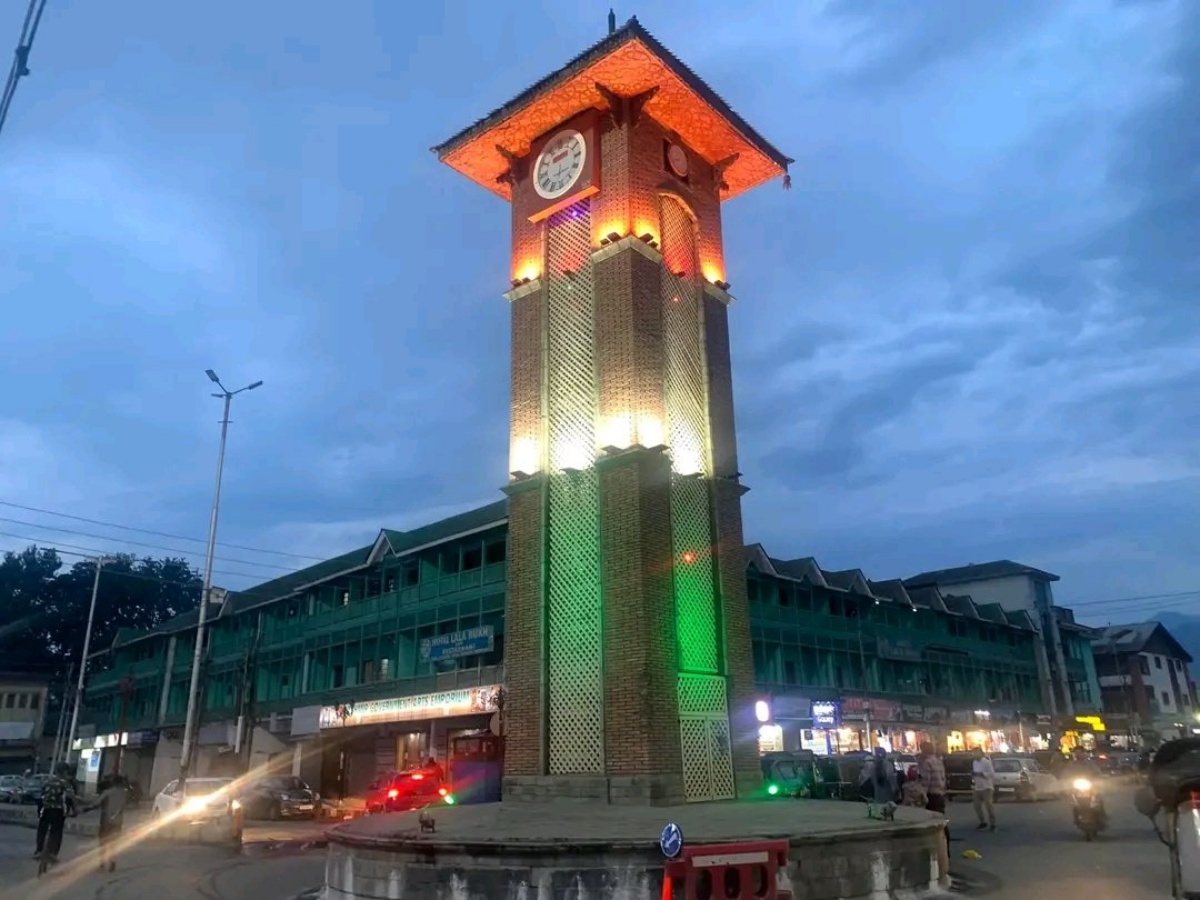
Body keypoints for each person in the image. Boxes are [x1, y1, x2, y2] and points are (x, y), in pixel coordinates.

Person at [82, 774, 127, 872]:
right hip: (118, 821)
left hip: (106, 820)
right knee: (114, 842)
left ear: (113, 782)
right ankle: (112, 861)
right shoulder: (124, 793)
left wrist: (85, 807)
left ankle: (102, 861)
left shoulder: (107, 792)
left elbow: (96, 803)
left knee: (103, 841)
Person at [35, 763, 77, 862]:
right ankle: (53, 853)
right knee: (56, 831)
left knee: (42, 829)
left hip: (45, 809)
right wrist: (75, 810)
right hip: (58, 810)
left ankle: (39, 850)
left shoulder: (47, 781)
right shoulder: (65, 783)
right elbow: (71, 797)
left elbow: (40, 795)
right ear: (64, 772)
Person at [971, 748, 996, 832]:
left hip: (987, 787)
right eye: (973, 753)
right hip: (978, 787)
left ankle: (993, 824)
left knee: (988, 805)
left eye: (976, 753)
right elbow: (975, 772)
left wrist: (982, 774)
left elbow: (992, 773)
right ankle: (983, 821)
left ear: (980, 753)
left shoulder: (986, 762)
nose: (974, 755)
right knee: (976, 805)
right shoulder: (974, 762)